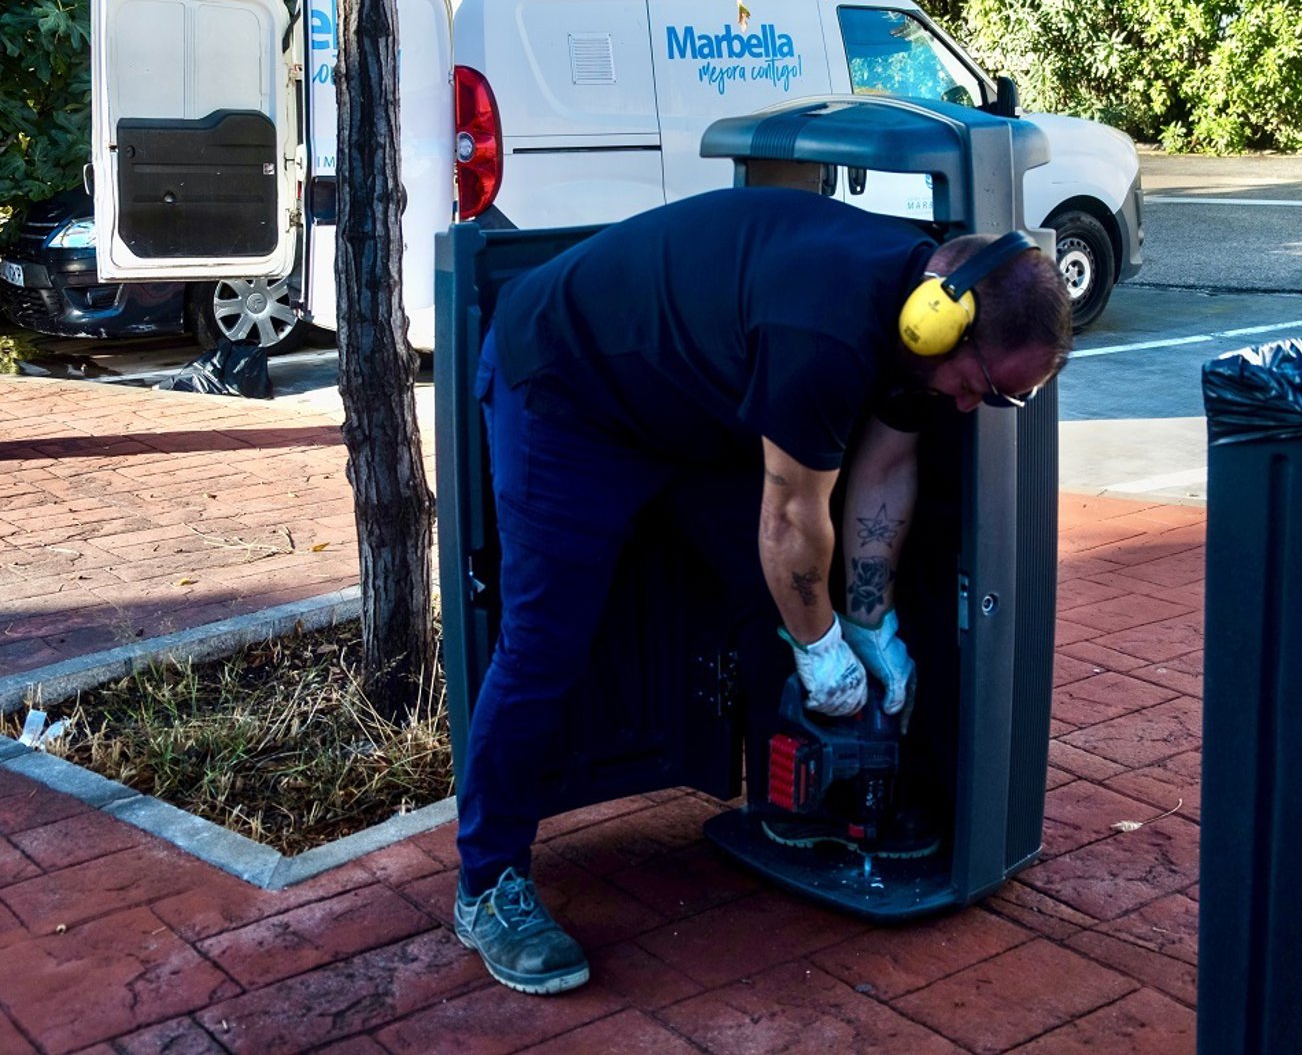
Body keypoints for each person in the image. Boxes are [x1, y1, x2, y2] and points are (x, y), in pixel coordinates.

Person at [453, 168, 1072, 995]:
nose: (973, 408)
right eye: (985, 387)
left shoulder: (916, 338)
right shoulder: (828, 327)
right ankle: (487, 884)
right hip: (568, 389)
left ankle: (796, 804)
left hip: (686, 408)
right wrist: (821, 652)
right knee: (545, 643)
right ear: (940, 323)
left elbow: (883, 473)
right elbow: (791, 520)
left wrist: (867, 626)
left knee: (766, 597)